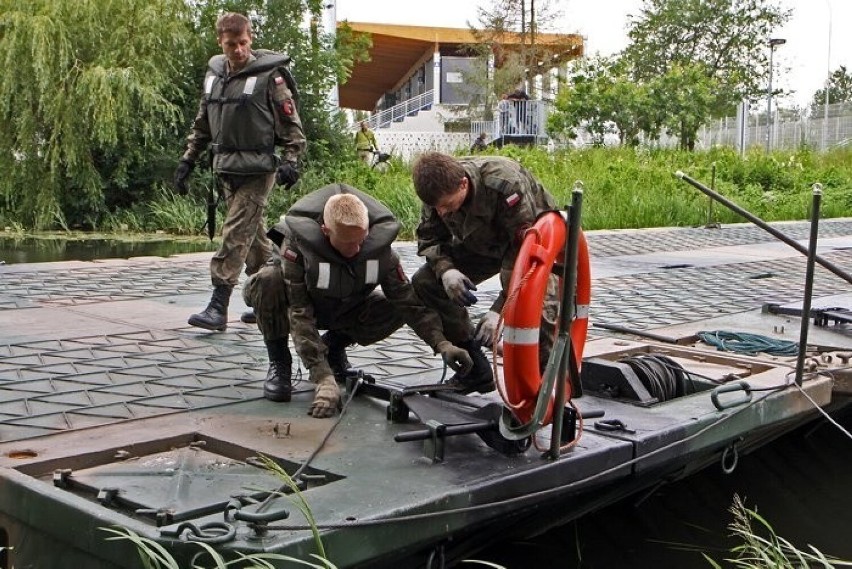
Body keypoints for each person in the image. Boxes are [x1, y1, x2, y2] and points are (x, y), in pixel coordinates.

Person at [243, 184, 474, 418]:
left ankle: (333, 347)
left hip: (345, 306)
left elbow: (407, 301)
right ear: (325, 231)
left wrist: (441, 344)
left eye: (361, 241)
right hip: (300, 304)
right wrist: (323, 378)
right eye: (347, 244)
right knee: (267, 280)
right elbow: (299, 312)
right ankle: (279, 361)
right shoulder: (296, 247)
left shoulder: (380, 250)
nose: (356, 250)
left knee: (395, 306)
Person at [174, 12, 306, 332]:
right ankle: (270, 301)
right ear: (220, 41)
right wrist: (187, 161)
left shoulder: (269, 76)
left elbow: (291, 125)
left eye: (243, 43)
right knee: (257, 241)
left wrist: (292, 160)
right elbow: (203, 123)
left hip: (258, 170)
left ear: (251, 38)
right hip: (226, 169)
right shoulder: (215, 75)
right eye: (231, 44)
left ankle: (218, 305)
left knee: (235, 233)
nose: (238, 50)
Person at [411, 152, 560, 394]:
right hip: (484, 246)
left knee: (539, 309)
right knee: (426, 282)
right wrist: (446, 270)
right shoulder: (437, 191)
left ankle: (541, 393)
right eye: (437, 208)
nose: (443, 213)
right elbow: (430, 237)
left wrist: (500, 311)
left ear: (464, 184)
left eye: (448, 205)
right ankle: (474, 369)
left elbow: (525, 249)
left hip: (538, 250)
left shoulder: (504, 184)